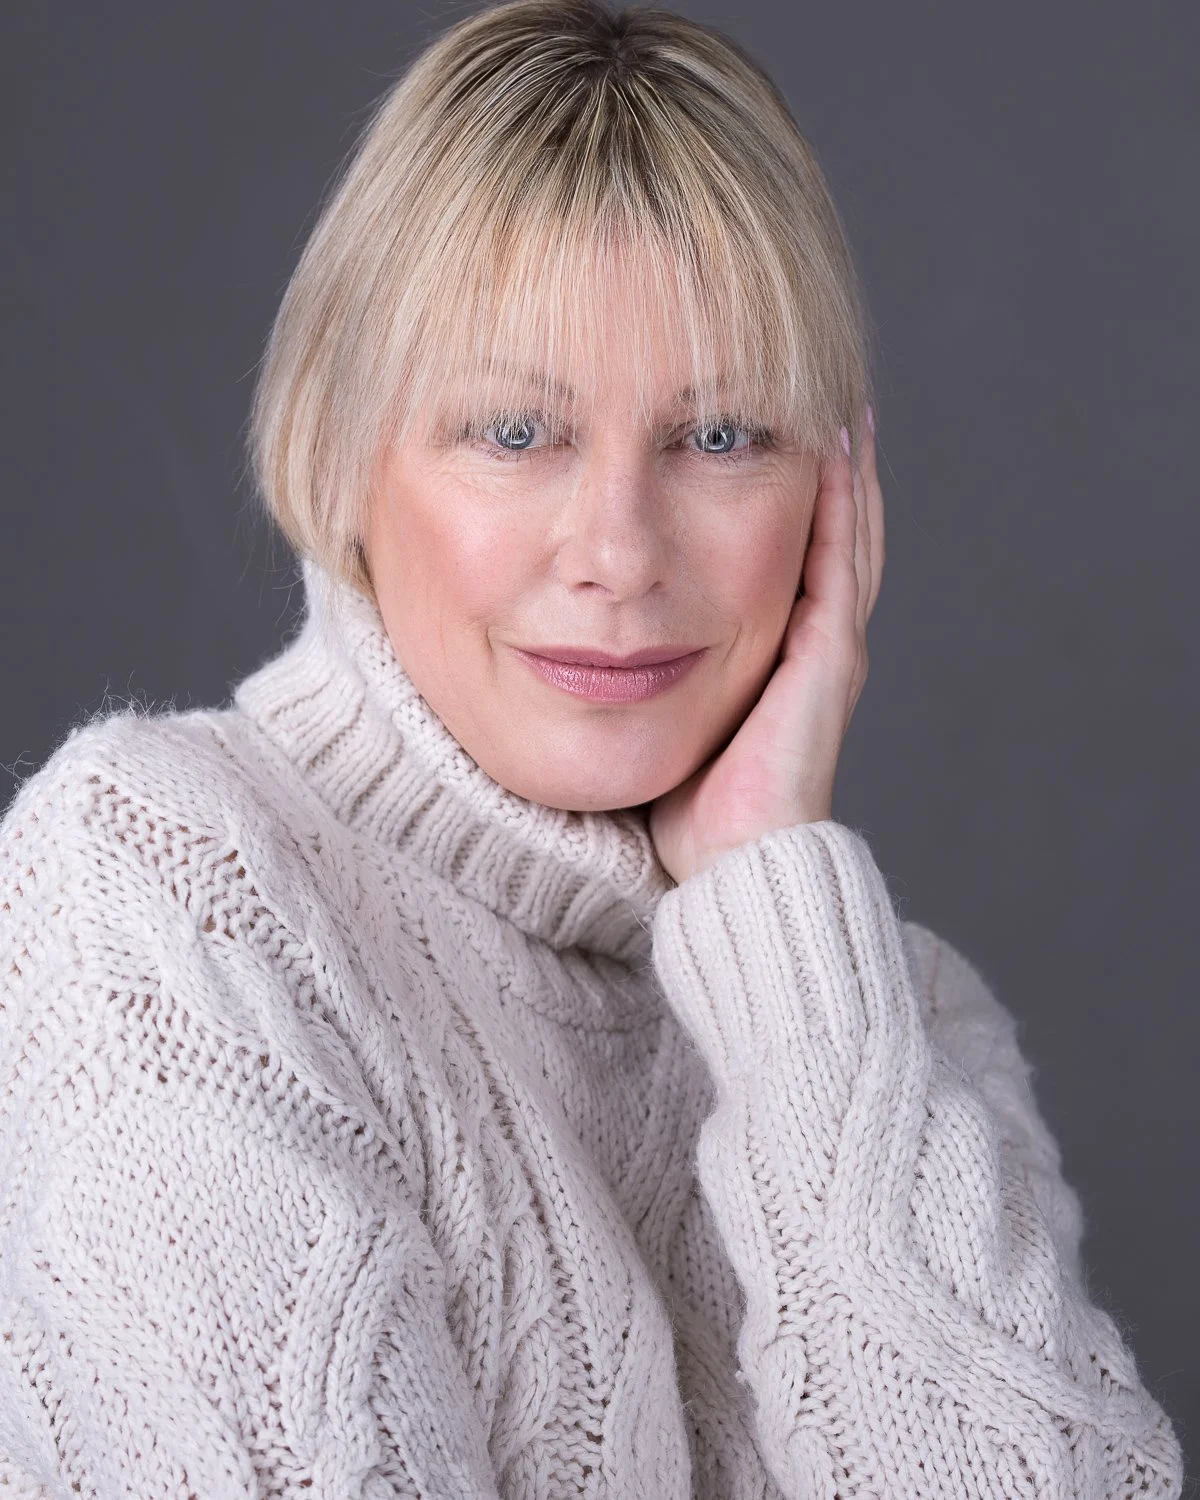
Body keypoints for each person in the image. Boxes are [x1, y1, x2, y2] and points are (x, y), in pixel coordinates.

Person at [0, 1, 1183, 1495]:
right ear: (339, 452)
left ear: (835, 496)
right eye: (516, 431)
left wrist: (777, 918)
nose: (620, 553)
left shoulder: (892, 1019)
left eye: (721, 436)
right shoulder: (166, 888)